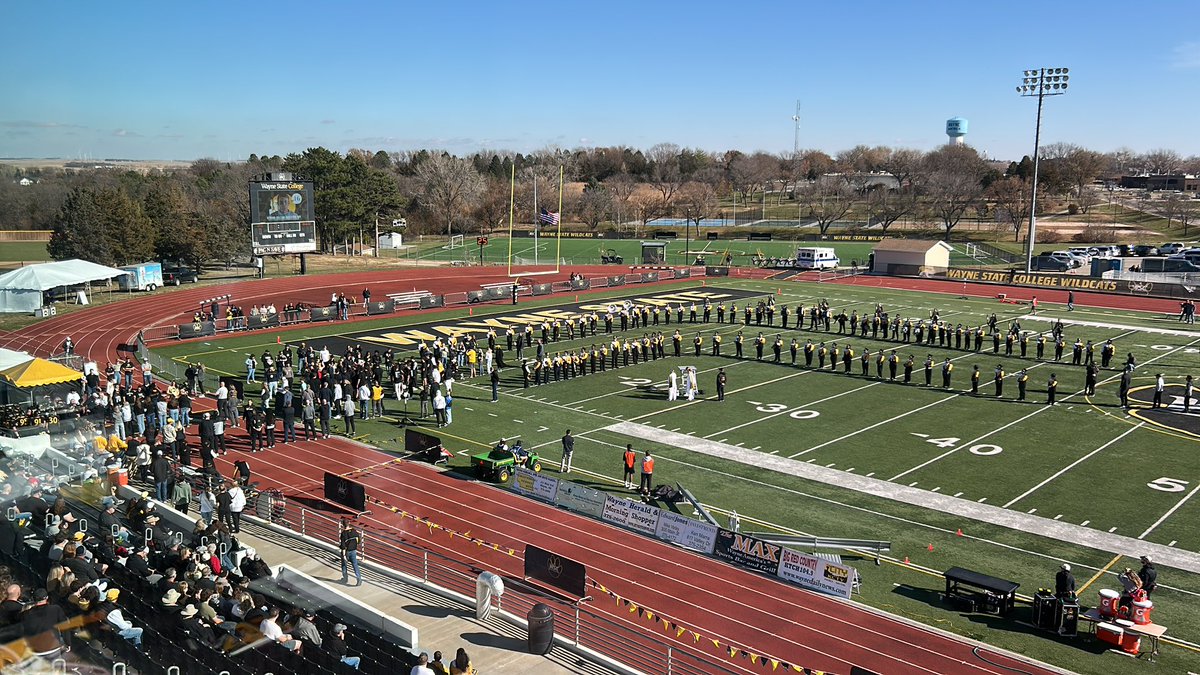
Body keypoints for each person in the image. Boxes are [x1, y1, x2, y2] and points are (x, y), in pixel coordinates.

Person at [340, 518, 362, 586]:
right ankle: (359, 579)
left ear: (343, 525)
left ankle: (345, 578)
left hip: (347, 552)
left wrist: (344, 555)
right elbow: (359, 540)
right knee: (355, 565)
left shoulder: (343, 533)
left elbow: (343, 546)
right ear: (349, 523)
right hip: (354, 551)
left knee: (344, 565)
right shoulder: (354, 531)